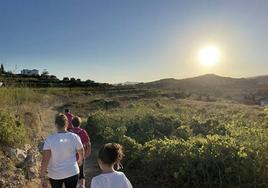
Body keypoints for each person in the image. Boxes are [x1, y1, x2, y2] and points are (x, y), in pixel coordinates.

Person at [40, 113, 84, 188]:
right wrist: (80, 160)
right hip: (72, 171)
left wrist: (42, 177)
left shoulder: (49, 139)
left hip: (55, 174)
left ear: (56, 125)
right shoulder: (74, 137)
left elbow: (45, 160)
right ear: (67, 124)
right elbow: (81, 151)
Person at [70, 116, 91, 188]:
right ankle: (82, 185)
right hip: (81, 156)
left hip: (71, 157)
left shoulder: (69, 132)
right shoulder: (83, 132)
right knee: (81, 174)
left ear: (72, 123)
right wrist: (87, 153)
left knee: (72, 174)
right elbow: (88, 144)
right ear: (80, 123)